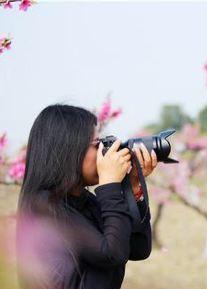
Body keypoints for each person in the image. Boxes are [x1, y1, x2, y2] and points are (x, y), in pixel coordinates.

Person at [16, 104, 157, 289]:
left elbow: (138, 248)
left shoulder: (84, 201)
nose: (103, 152)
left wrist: (132, 188)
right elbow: (112, 253)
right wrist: (110, 185)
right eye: (96, 144)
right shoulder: (43, 206)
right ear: (68, 150)